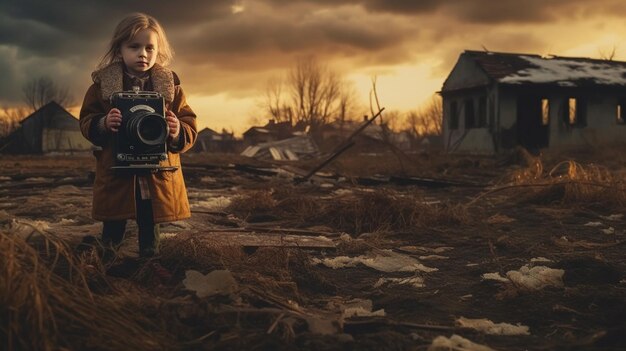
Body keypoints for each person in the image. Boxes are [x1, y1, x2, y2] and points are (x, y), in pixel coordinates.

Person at [79, 13, 197, 258]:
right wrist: (103, 123)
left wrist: (176, 131)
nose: (143, 53)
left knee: (150, 217)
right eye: (134, 47)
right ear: (119, 48)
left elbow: (189, 123)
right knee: (113, 223)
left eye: (149, 48)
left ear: (158, 51)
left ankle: (150, 260)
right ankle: (107, 260)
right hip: (118, 171)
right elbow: (86, 121)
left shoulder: (171, 87)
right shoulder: (102, 87)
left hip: (157, 171)